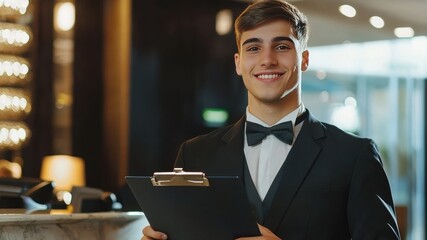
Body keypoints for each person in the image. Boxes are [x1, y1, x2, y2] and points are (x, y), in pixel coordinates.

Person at [142, 0, 401, 239]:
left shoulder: (354, 156)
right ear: (238, 62)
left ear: (305, 59)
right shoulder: (195, 154)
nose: (267, 60)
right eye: (253, 48)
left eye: (281, 46)